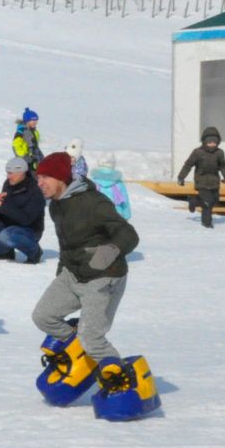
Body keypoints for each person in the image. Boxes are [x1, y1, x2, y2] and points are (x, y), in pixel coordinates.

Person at [32, 150, 140, 386]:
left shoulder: (93, 202)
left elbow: (128, 234)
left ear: (61, 178)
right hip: (73, 273)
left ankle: (119, 376)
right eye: (38, 178)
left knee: (92, 336)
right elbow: (66, 243)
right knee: (43, 317)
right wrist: (61, 272)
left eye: (45, 178)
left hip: (103, 276)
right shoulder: (56, 205)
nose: (40, 183)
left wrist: (106, 254)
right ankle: (78, 349)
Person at [0, 157, 46, 263]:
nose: (8, 176)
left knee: (6, 235)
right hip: (9, 226)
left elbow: (26, 219)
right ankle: (5, 251)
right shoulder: (8, 184)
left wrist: (0, 204)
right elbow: (5, 210)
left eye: (11, 173)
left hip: (30, 230)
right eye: (7, 173)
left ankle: (35, 252)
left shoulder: (35, 190)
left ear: (22, 172)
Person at [176, 126, 225, 229]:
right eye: (209, 142)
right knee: (207, 202)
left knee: (214, 200)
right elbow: (188, 165)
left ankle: (194, 200)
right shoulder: (197, 152)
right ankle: (207, 223)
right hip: (201, 181)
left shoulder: (219, 153)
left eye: (214, 143)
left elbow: (223, 166)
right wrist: (181, 177)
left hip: (214, 182)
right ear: (204, 142)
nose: (212, 145)